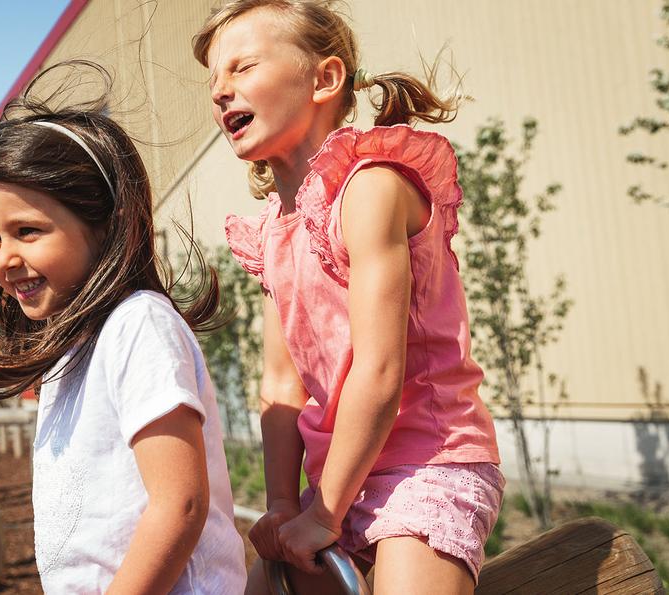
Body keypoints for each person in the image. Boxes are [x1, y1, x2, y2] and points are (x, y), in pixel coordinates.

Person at [193, 2, 503, 593]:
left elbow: (380, 370)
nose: (221, 92)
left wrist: (324, 514)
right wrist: (284, 504)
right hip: (337, 478)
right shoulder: (273, 231)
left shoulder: (371, 189)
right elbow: (281, 386)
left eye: (241, 68)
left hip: (426, 463)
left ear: (325, 79)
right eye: (213, 81)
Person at [0, 63, 247, 594]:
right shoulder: (71, 351)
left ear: (107, 223)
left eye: (27, 231)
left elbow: (179, 503)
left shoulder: (138, 325)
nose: (5, 259)